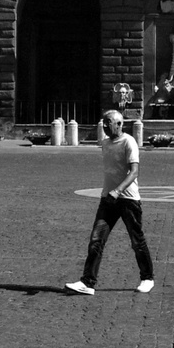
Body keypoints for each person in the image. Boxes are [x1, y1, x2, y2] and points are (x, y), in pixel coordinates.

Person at [66, 110, 154, 296]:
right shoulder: (105, 143)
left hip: (128, 200)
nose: (105, 126)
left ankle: (147, 278)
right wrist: (109, 193)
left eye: (108, 122)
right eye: (103, 123)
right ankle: (87, 282)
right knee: (96, 240)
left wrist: (118, 190)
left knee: (137, 241)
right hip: (108, 200)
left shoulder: (129, 142)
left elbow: (134, 172)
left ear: (119, 124)